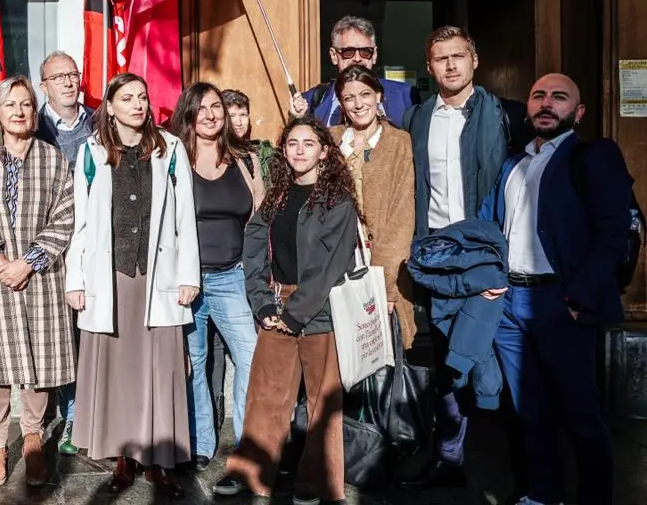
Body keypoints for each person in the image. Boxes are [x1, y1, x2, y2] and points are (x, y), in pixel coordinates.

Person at [479, 73, 630, 505]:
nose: (547, 104)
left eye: (559, 98)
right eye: (538, 96)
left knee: (580, 412)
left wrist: (580, 297)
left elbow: (612, 235)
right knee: (530, 411)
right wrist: (491, 282)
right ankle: (542, 494)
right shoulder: (513, 163)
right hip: (509, 304)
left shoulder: (594, 156)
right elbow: (490, 227)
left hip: (560, 302)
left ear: (578, 113)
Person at [399, 26, 526, 490]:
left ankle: (525, 474)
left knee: (503, 362)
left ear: (476, 60)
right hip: (440, 258)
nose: (450, 65)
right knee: (450, 364)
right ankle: (449, 459)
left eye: (458, 56)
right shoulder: (416, 118)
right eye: (440, 58)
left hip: (490, 255)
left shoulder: (509, 116)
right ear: (429, 67)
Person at [67, 73, 200, 498]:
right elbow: (80, 225)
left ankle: (159, 462)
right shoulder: (92, 153)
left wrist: (188, 277)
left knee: (160, 371)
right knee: (118, 372)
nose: (138, 104)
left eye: (142, 97)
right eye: (127, 98)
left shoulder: (170, 149)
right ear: (110, 106)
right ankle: (122, 457)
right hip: (110, 280)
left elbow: (184, 219)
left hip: (159, 278)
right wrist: (76, 279)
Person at [214, 117, 360, 504]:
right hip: (276, 305)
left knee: (321, 403)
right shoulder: (277, 195)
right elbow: (255, 245)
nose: (299, 150)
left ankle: (315, 484)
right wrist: (262, 303)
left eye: (308, 143)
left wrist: (295, 314)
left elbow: (329, 265)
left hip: (320, 309)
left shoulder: (337, 200)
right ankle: (251, 474)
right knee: (266, 394)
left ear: (324, 151)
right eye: (292, 143)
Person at [0, 75, 76, 489]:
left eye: (26, 105)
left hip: (41, 276)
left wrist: (30, 261)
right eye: (11, 105)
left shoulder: (51, 158)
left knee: (41, 362)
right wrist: (1, 259)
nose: (19, 112)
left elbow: (65, 216)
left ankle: (34, 438)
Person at [167, 83, 262, 469]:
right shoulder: (173, 158)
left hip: (233, 277)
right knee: (194, 362)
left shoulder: (244, 158)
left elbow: (258, 218)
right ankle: (201, 441)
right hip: (186, 282)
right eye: (202, 107)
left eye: (217, 107)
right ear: (188, 113)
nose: (210, 114)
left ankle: (247, 442)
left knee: (251, 357)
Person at [329, 65, 417, 349]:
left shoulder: (401, 143)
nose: (358, 104)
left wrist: (387, 286)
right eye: (349, 97)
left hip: (380, 263)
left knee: (381, 350)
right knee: (340, 351)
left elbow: (401, 220)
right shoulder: (329, 142)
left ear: (378, 96)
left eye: (365, 94)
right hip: (337, 263)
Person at [33, 50, 94, 455]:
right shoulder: (31, 126)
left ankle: (91, 413)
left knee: (90, 333)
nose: (69, 83)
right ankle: (70, 413)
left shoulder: (100, 122)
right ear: (45, 86)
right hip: (50, 248)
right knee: (61, 338)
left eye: (73, 75)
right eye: (60, 77)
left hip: (93, 246)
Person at [290, 15, 420, 125]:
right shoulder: (311, 100)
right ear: (334, 56)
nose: (357, 58)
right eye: (348, 52)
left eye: (365, 52)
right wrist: (297, 120)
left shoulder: (406, 97)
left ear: (374, 55)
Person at [221, 89, 275, 182]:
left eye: (243, 115)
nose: (239, 123)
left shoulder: (260, 152)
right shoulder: (216, 152)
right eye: (232, 116)